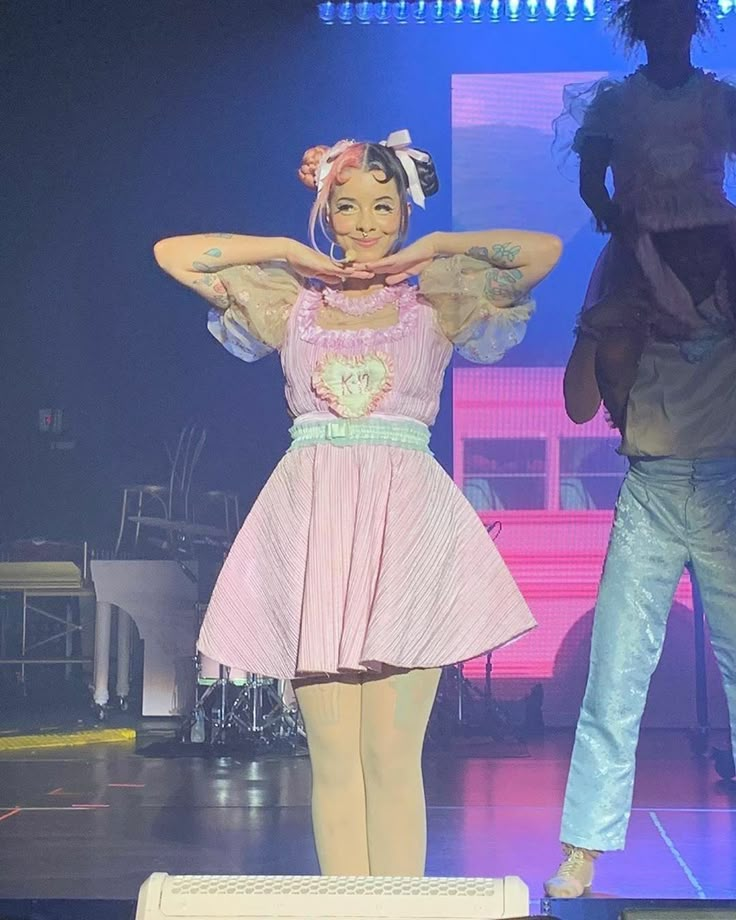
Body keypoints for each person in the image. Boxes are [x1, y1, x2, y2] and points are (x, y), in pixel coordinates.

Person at [154, 129, 561, 877]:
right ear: (328, 215)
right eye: (348, 206)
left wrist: (437, 245)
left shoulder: (435, 298)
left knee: (390, 757)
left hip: (404, 532)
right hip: (317, 531)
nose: (367, 221)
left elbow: (541, 252)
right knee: (335, 759)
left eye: (383, 204)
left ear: (404, 213)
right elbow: (173, 255)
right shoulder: (291, 305)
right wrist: (284, 247)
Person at [546, 0, 736, 897]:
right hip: (656, 486)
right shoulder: (621, 261)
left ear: (692, 28)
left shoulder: (715, 114)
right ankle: (583, 849)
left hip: (728, 482)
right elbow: (581, 401)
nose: (669, 35)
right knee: (616, 676)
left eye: (679, 23)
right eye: (654, 23)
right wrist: (619, 246)